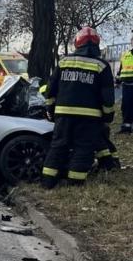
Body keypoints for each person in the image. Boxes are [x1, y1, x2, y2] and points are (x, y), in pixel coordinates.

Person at [41, 27, 115, 189]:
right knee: (83, 148)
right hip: (89, 117)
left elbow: (50, 89)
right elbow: (108, 97)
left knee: (58, 145)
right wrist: (108, 116)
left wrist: (51, 110)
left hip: (63, 114)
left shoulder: (64, 62)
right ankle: (74, 182)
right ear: (96, 44)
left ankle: (47, 181)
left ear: (77, 43)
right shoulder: (101, 66)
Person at [115, 36, 133, 134]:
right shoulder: (125, 55)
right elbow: (121, 70)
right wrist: (117, 81)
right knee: (126, 106)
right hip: (126, 85)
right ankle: (126, 128)